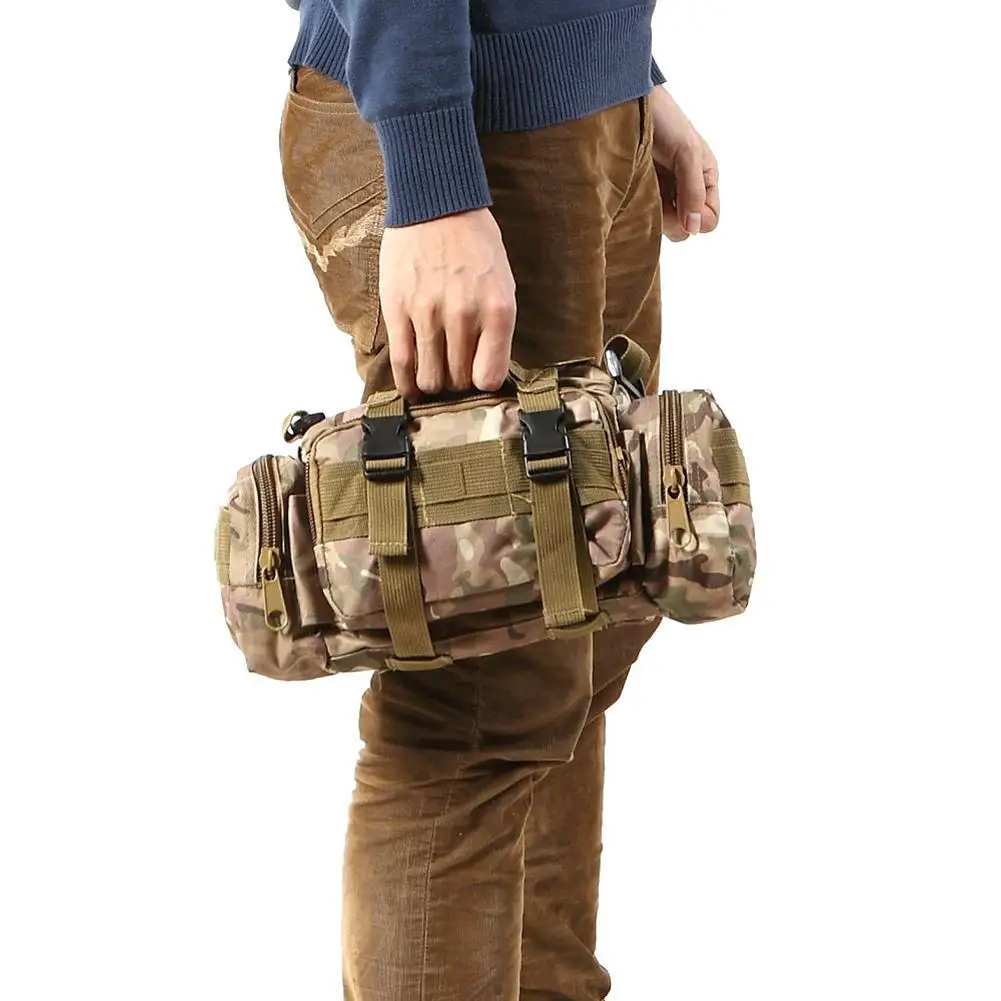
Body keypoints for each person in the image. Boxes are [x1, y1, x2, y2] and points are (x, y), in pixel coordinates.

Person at [279, 1, 719, 998]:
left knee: (581, 608)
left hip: (575, 108)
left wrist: (626, 68)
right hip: (471, 130)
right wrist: (433, 178)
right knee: (481, 697)